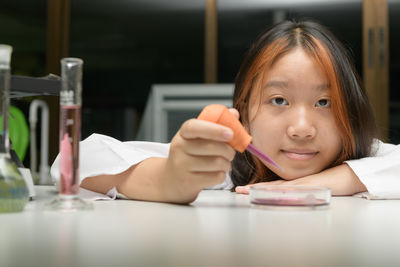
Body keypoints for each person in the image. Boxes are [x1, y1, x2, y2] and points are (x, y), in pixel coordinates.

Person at [51, 19, 400, 204]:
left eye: (324, 103)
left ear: (350, 113)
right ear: (244, 112)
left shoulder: (367, 158)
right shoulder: (226, 169)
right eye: (279, 100)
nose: (302, 128)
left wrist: (330, 181)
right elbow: (73, 159)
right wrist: (170, 179)